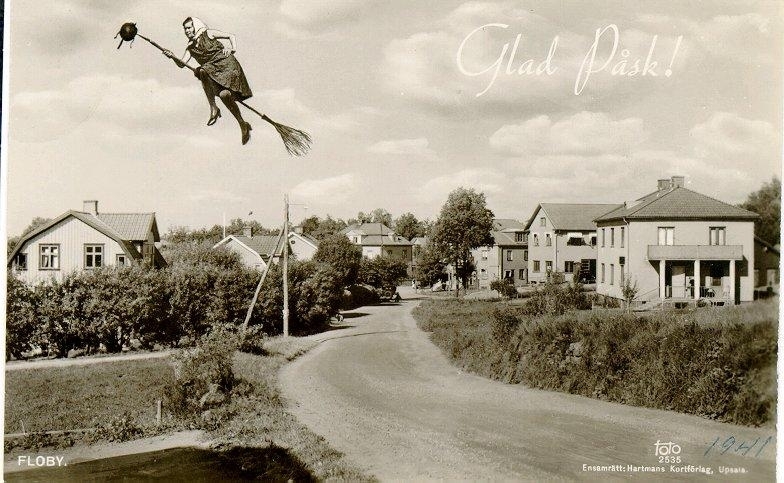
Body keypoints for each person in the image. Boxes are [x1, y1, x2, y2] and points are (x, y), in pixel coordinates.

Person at [163, 17, 254, 144]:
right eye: (185, 29)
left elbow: (231, 36)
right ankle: (242, 124)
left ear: (195, 26)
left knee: (202, 70)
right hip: (213, 75)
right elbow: (182, 64)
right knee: (224, 95)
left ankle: (213, 107)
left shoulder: (208, 33)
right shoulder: (190, 47)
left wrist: (232, 49)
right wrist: (172, 56)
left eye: (189, 28)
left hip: (228, 67)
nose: (187, 31)